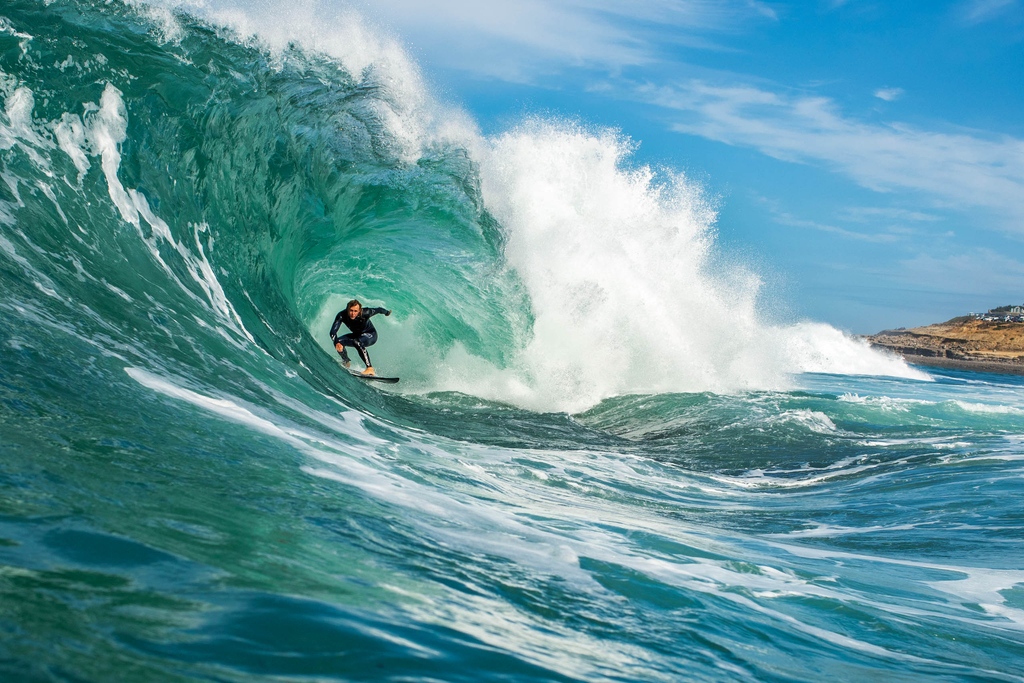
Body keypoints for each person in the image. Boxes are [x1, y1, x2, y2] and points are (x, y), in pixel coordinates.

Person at [330, 299, 391, 376]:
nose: (353, 313)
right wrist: (336, 343)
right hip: (357, 335)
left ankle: (370, 368)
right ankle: (346, 361)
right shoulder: (341, 315)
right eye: (351, 310)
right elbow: (332, 333)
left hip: (370, 335)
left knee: (357, 341)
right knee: (339, 341)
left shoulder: (366, 312)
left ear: (359, 310)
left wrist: (387, 313)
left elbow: (379, 310)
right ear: (347, 309)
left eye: (355, 311)